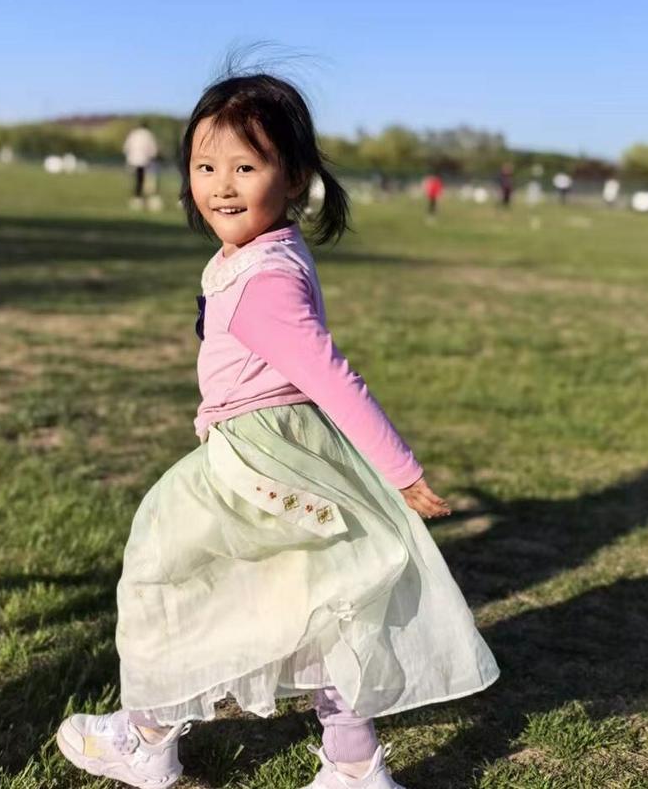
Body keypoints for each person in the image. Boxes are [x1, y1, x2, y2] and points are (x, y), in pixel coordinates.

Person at [56, 72, 498, 789]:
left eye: (245, 167)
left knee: (173, 576)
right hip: (282, 449)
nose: (221, 187)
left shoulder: (264, 280)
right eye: (206, 167)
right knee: (312, 602)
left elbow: (330, 375)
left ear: (292, 178)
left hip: (262, 461)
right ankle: (352, 765)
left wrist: (402, 471)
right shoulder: (263, 251)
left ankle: (147, 736)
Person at [123, 122, 160, 208]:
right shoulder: (148, 134)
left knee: (138, 179)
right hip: (144, 160)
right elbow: (153, 148)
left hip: (133, 160)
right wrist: (154, 156)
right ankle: (139, 198)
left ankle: (137, 197)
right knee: (142, 180)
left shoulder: (133, 133)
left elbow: (126, 147)